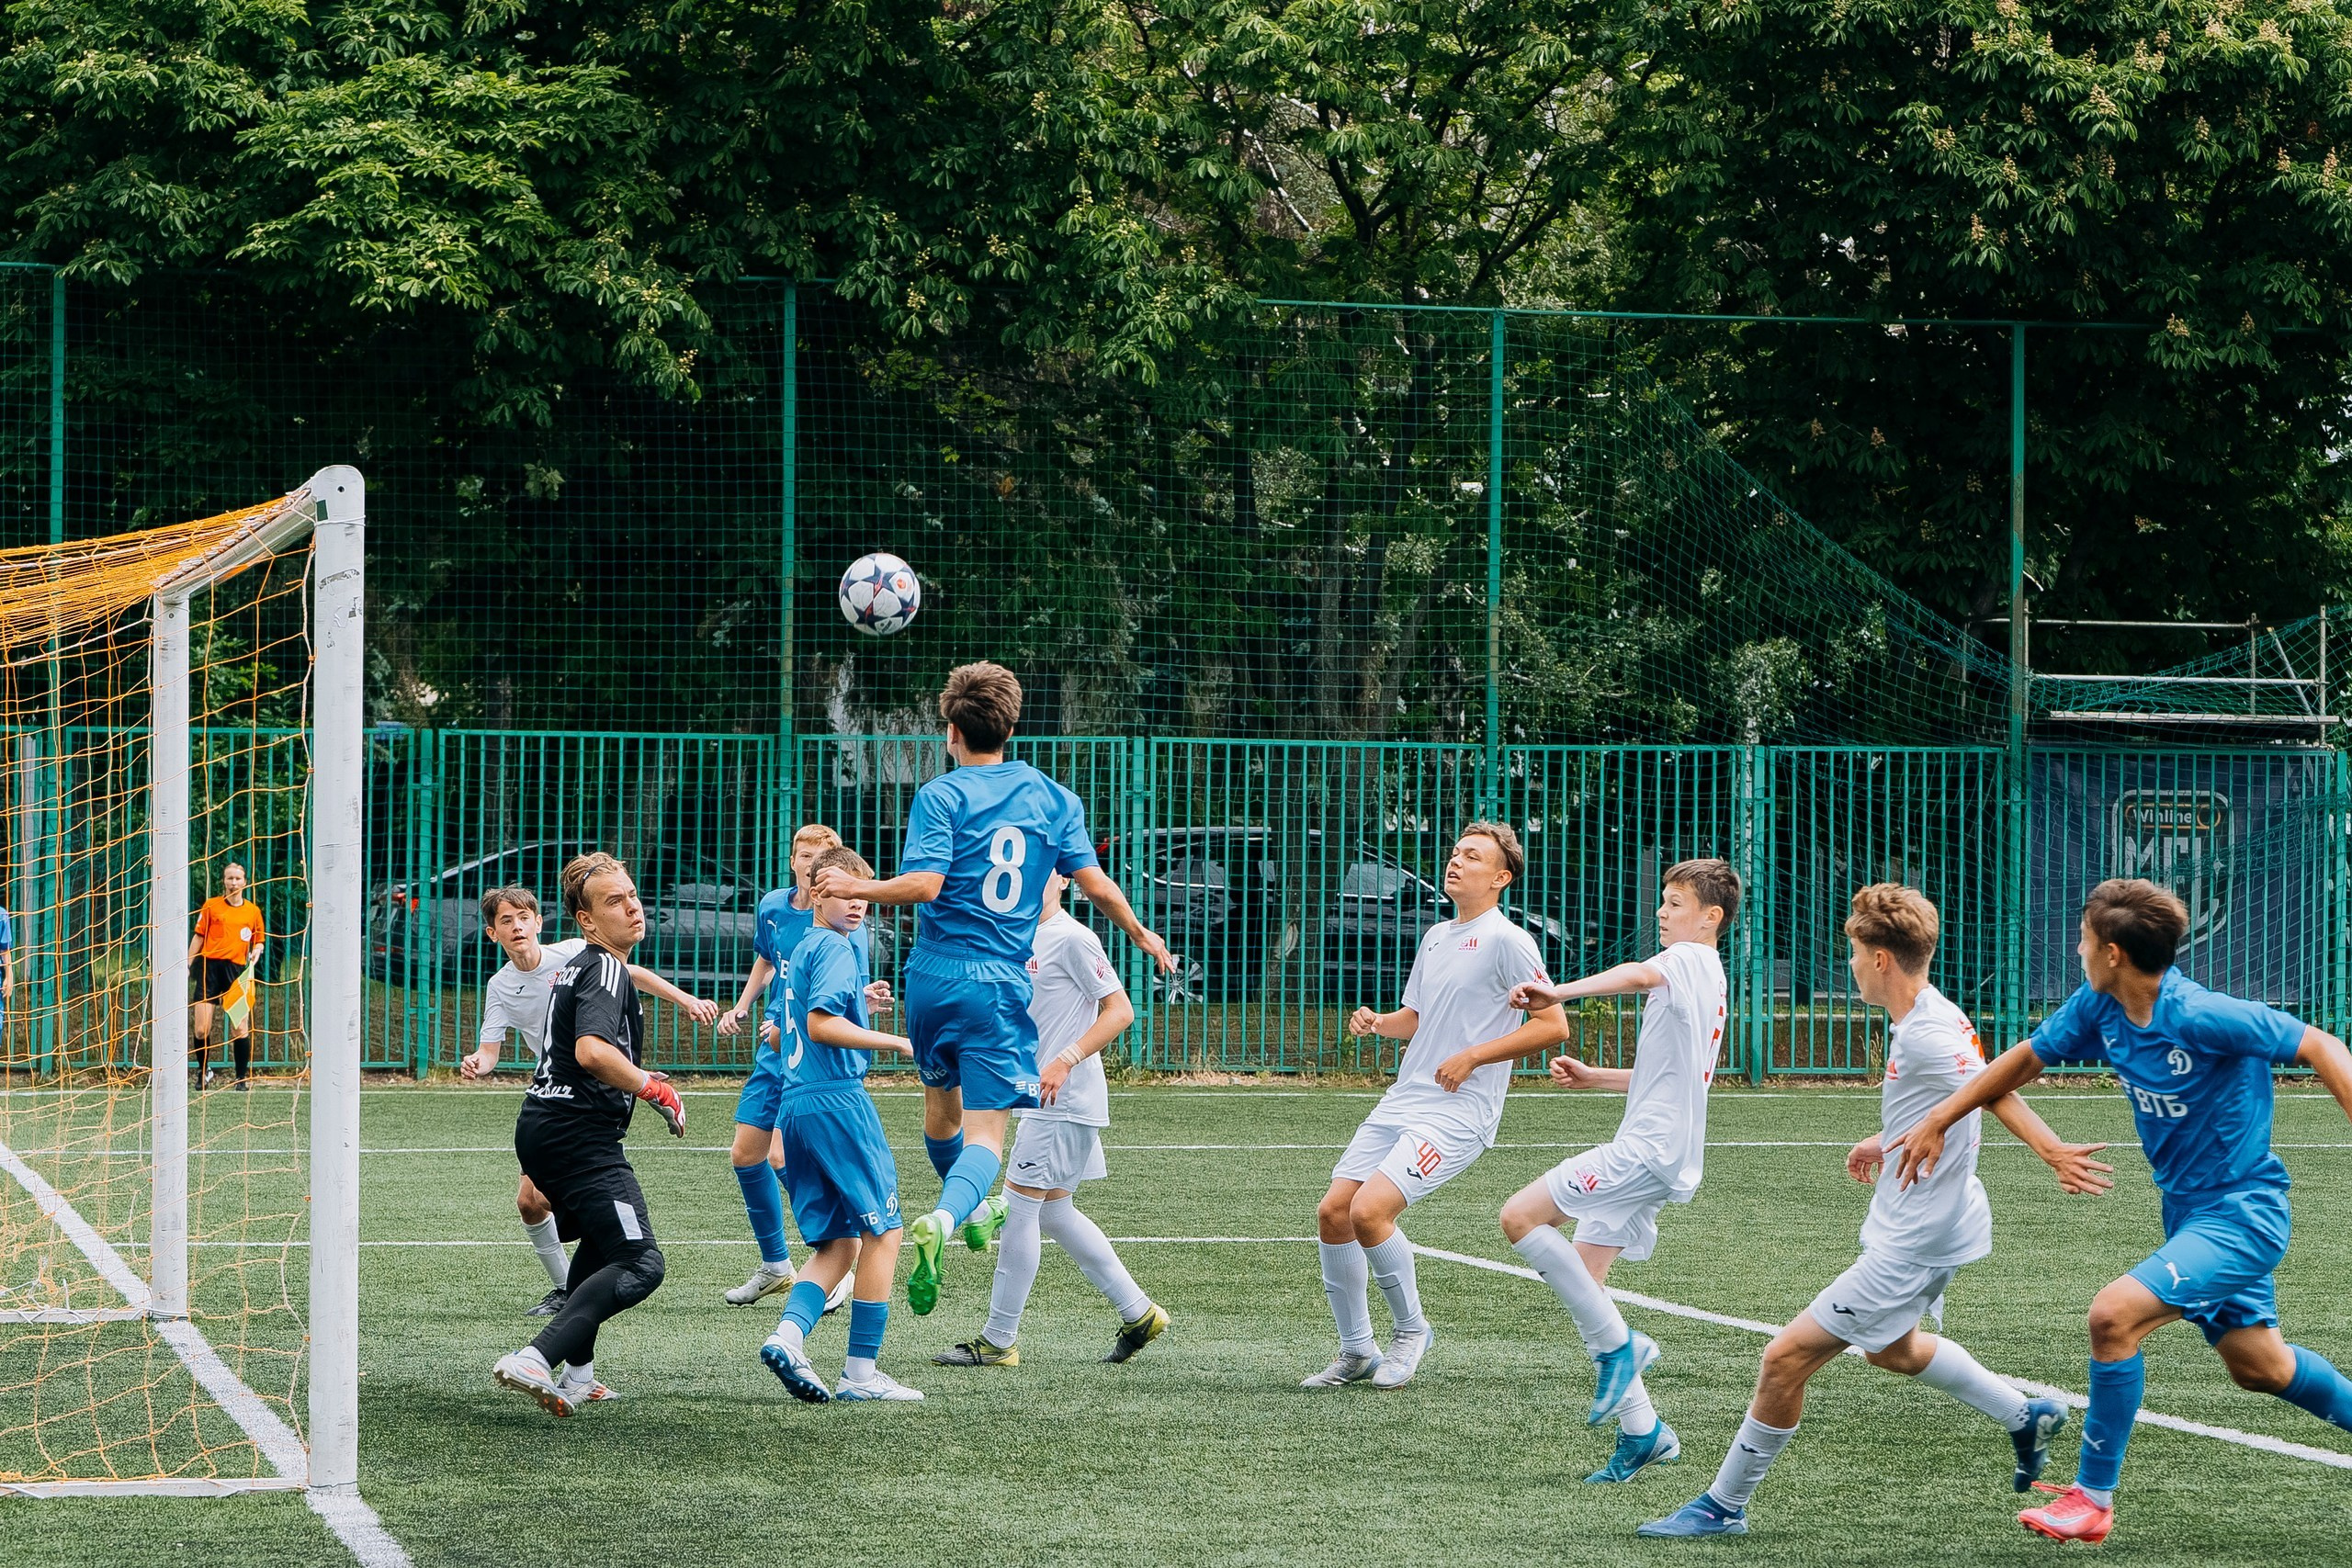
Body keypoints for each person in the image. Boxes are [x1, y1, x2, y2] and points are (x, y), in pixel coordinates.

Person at [1894, 877, 2352, 1545]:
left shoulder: (2200, 1013)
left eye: (2082, 937)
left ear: (2111, 951)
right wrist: (1941, 1114)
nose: (2075, 947)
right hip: (2191, 1216)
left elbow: (2321, 1045)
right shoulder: (2100, 1006)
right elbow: (2021, 1061)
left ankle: (2092, 1497)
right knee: (2261, 1367)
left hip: (2243, 1215)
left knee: (2113, 1315)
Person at [1640, 884, 2106, 1539]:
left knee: (1783, 1358)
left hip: (1912, 1241)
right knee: (1892, 1349)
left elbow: (1993, 1082)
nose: (1851, 965)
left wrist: (2052, 1149)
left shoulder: (1927, 1031)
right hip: (1942, 1221)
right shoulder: (1924, 1017)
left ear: (1881, 958)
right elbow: (1954, 1091)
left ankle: (1722, 1505)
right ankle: (2024, 1414)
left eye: (1855, 953)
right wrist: (1887, 1138)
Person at [811, 660, 1173, 1315]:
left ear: (951, 729)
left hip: (929, 977)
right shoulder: (1054, 798)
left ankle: (968, 1204)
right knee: (986, 1139)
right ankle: (950, 1219)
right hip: (997, 984)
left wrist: (853, 884)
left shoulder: (942, 794)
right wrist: (1140, 932)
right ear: (1011, 725)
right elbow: (1095, 885)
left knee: (940, 1116)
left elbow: (924, 886)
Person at [1495, 858, 1737, 1482]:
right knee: (1589, 1286)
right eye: (1663, 900)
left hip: (1646, 1151)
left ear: (1710, 917)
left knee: (1519, 1216)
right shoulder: (1709, 978)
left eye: (1675, 902)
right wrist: (1597, 1076)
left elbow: (1635, 974)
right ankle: (1644, 1432)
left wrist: (1559, 992)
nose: (1662, 911)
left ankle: (1629, 1349)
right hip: (1656, 1146)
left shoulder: (1687, 960)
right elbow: (1686, 1078)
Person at [1302, 824, 1566, 1392]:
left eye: (1472, 857)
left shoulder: (1509, 941)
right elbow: (1415, 1022)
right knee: (1333, 1214)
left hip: (1460, 1110)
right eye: (1455, 853)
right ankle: (1355, 1351)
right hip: (1406, 1098)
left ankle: (1413, 1331)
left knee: (1370, 1211)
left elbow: (1553, 1025)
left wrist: (1473, 1056)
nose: (1456, 862)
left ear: (1500, 878)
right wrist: (1377, 1024)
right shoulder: (1436, 936)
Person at [933, 870, 1170, 1369]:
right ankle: (1140, 1313)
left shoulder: (1074, 937)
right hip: (1038, 1098)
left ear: (1062, 881)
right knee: (1054, 1211)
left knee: (1020, 1208)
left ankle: (998, 1341)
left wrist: (1064, 1059)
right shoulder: (1012, 934)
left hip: (1063, 1100)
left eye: (1044, 872)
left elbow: (1120, 1011)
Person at [492, 853, 691, 1416]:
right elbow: (592, 1051)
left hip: (543, 1127)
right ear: (586, 920)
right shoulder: (603, 967)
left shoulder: (582, 966)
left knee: (601, 1248)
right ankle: (536, 1357)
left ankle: (578, 1375)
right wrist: (654, 1089)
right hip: (578, 1137)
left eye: (632, 895)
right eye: (613, 901)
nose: (632, 907)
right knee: (639, 1263)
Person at [461, 884, 716, 1318]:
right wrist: (476, 1064)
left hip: (590, 1089)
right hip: (557, 1093)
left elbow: (628, 974)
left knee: (572, 1201)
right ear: (493, 934)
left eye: (524, 917)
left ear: (539, 923)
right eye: (506, 921)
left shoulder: (576, 952)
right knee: (531, 1202)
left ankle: (587, 1289)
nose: (517, 926)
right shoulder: (500, 987)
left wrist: (686, 999)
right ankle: (568, 1290)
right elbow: (489, 1052)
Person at [758, 846, 924, 1404]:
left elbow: (785, 1034)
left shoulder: (802, 945)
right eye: (843, 892)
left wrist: (861, 1004)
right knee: (885, 1230)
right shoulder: (835, 946)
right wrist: (899, 1040)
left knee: (837, 1244)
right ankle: (860, 1373)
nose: (857, 904)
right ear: (815, 890)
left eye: (863, 893)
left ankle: (788, 1337)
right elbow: (821, 1026)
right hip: (837, 1102)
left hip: (797, 1104)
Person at [717, 823, 881, 1309]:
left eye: (823, 856)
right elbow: (769, 964)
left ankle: (836, 1256)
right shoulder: (773, 907)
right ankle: (776, 1265)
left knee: (780, 1157)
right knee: (747, 1154)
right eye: (805, 854)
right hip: (777, 1047)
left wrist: (866, 1003)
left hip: (810, 1056)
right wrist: (746, 1006)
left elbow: (845, 996)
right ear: (793, 861)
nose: (812, 863)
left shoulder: (846, 926)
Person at [188, 862, 265, 1090]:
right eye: (229, 878)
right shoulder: (211, 906)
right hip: (209, 969)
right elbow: (199, 937)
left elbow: (259, 939)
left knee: (239, 1028)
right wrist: (188, 962)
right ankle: (204, 1073)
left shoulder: (252, 911)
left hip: (236, 972)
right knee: (201, 1028)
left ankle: (241, 1078)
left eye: (238, 879)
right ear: (223, 881)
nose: (233, 883)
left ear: (245, 882)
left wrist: (257, 951)